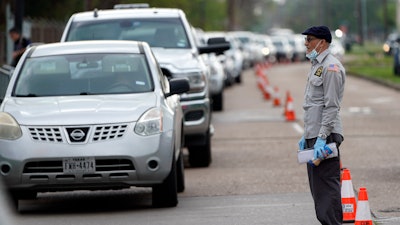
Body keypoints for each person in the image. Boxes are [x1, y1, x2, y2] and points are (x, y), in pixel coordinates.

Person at [298, 25, 346, 225]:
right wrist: (307, 135)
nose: (306, 44)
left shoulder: (331, 67)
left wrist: (321, 138)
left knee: (327, 188)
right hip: (314, 134)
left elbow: (331, 106)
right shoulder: (317, 65)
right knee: (319, 191)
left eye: (309, 39)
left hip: (324, 136)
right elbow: (313, 105)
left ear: (322, 42)